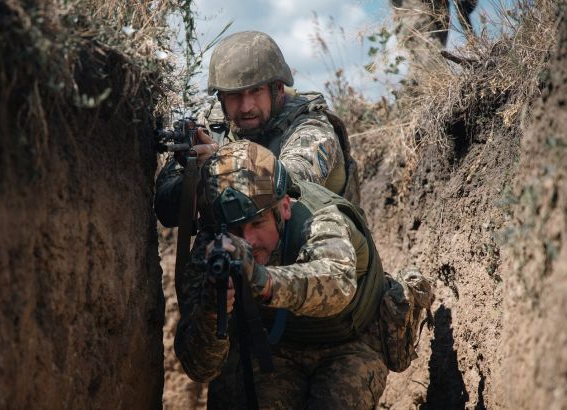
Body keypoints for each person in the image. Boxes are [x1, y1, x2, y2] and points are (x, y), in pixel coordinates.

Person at [174, 140, 388, 409]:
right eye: (236, 229)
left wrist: (262, 281)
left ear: (285, 207)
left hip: (350, 343)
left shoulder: (322, 218)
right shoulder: (215, 246)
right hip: (276, 346)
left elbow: (336, 284)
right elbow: (200, 368)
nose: (248, 240)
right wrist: (213, 309)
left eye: (257, 223)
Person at [155, 30, 360, 228]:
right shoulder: (210, 126)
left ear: (278, 89)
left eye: (256, 91)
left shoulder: (310, 126)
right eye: (235, 95)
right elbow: (166, 211)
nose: (246, 107)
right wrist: (194, 175)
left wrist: (217, 168)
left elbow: (290, 181)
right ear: (221, 97)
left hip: (318, 245)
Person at [390, 0, 477, 80]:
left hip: (438, 12)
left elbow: (464, 5)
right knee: (433, 64)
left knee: (423, 68)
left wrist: (471, 37)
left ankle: (414, 88)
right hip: (413, 10)